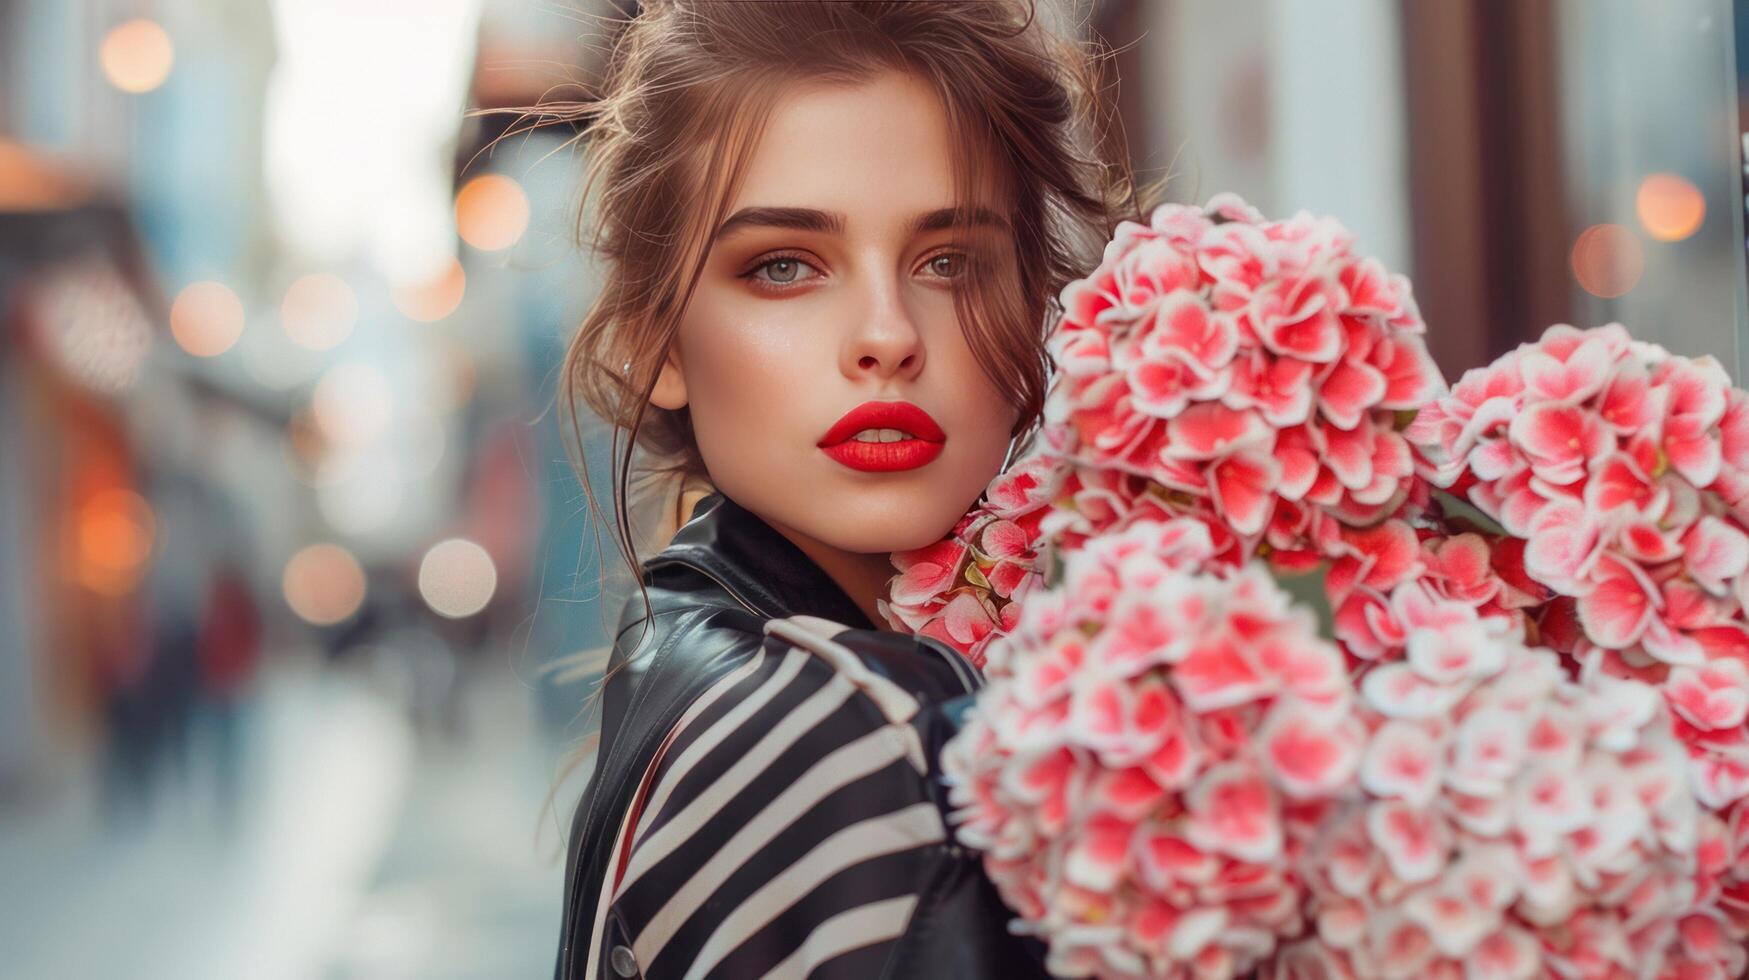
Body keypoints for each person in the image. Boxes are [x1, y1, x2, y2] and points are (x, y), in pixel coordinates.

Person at [546, 3, 1158, 977]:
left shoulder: (685, 647)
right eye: (785, 266)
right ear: (652, 341)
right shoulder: (870, 747)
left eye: (949, 262)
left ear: (1039, 302)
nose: (887, 332)